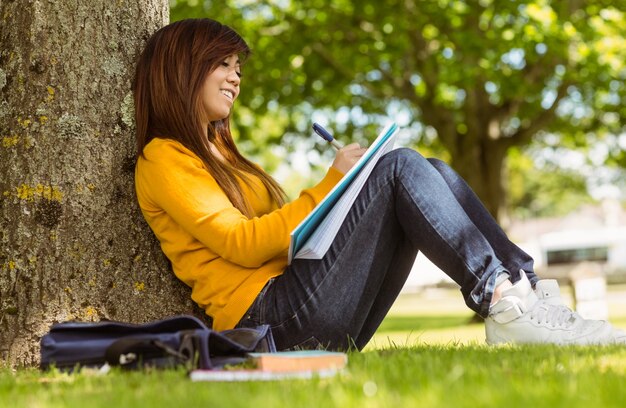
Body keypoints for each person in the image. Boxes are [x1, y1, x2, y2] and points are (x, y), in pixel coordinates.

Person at [133, 18, 625, 351]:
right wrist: (332, 183)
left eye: (237, 68)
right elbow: (242, 244)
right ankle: (501, 301)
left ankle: (525, 293)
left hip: (297, 306)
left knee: (434, 171)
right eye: (223, 64)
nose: (235, 78)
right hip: (268, 322)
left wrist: (341, 198)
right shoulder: (164, 159)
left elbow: (279, 238)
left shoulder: (227, 158)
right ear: (182, 69)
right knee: (399, 167)